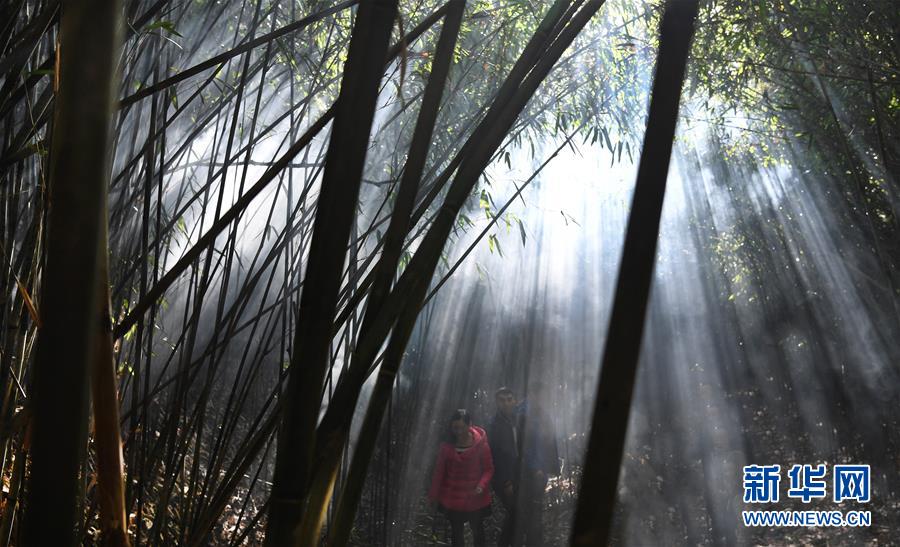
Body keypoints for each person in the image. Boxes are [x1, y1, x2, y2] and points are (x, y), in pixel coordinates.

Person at [428, 409, 495, 547]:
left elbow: (489, 469)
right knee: (456, 534)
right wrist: (433, 496)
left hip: (475, 497)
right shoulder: (446, 447)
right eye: (455, 428)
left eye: (461, 427)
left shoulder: (481, 445)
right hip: (453, 497)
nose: (458, 431)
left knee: (478, 533)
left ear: (470, 424)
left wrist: (481, 486)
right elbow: (439, 473)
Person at [516, 382, 560, 546]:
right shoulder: (522, 413)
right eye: (539, 395)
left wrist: (549, 467)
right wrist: (535, 468)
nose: (542, 398)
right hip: (528, 472)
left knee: (536, 509)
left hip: (540, 471)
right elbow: (522, 445)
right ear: (532, 395)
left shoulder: (543, 413)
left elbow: (549, 441)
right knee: (528, 511)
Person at [488, 387, 521, 547]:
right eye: (502, 400)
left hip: (519, 474)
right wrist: (507, 481)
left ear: (515, 401)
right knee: (515, 512)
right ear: (497, 402)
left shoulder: (519, 419)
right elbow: (498, 455)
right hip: (504, 477)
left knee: (518, 514)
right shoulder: (494, 424)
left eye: (509, 399)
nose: (506, 403)